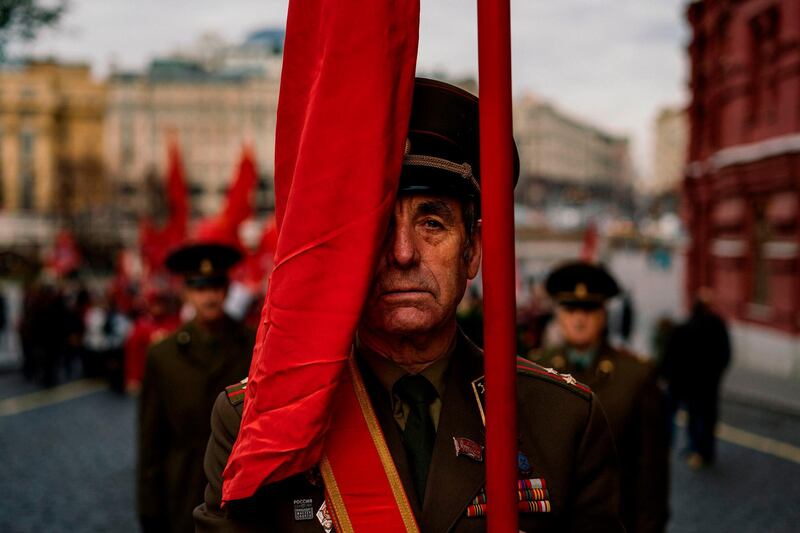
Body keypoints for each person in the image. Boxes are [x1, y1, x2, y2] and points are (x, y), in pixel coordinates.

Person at [194, 79, 624, 532]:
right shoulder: (257, 422)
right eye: (378, 227)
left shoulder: (561, 420)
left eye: (432, 223)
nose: (403, 252)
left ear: (472, 250)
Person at [530, 261, 669, 533]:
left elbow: (651, 471)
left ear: (603, 314)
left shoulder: (636, 376)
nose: (579, 319)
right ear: (558, 315)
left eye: (589, 309)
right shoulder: (535, 369)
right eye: (570, 309)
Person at [137, 239, 256, 533]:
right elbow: (151, 441)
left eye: (216, 286)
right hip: (182, 488)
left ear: (227, 289)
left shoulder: (255, 346)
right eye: (200, 287)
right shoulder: (163, 355)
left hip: (240, 489)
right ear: (187, 292)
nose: (210, 296)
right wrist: (149, 508)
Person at [663, 288, 730, 469]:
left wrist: (667, 376)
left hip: (683, 382)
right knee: (704, 418)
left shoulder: (684, 327)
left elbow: (670, 357)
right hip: (707, 383)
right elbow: (725, 355)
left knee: (681, 416)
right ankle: (700, 452)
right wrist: (716, 375)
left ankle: (676, 449)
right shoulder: (718, 326)